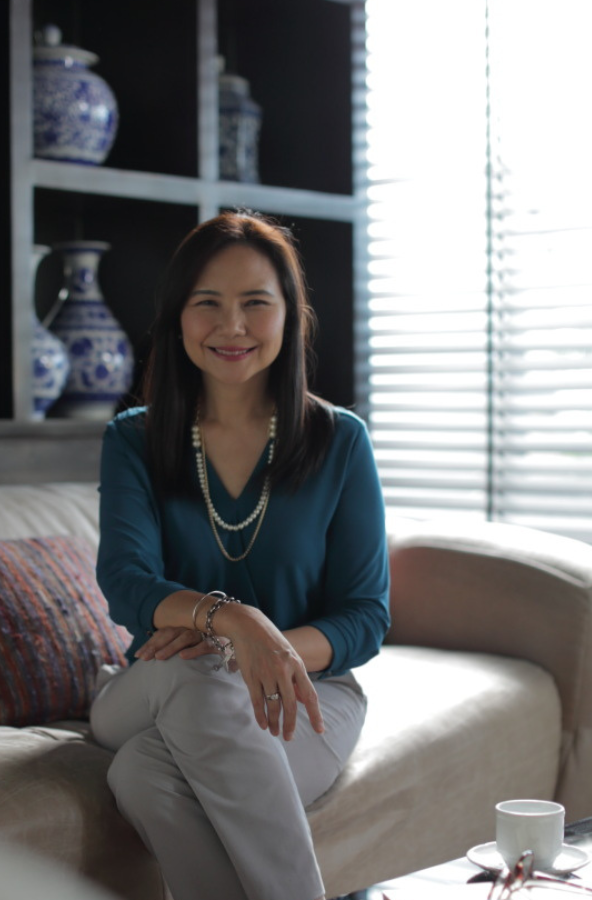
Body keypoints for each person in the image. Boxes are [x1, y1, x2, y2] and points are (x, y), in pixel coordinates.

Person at [90, 210, 390, 900]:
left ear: (290, 316)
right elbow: (126, 582)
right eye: (208, 305)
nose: (233, 326)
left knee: (143, 775)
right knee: (205, 681)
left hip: (311, 689)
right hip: (152, 684)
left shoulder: (339, 441)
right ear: (178, 318)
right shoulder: (133, 440)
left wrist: (270, 653)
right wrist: (236, 626)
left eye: (256, 303)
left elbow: (364, 616)